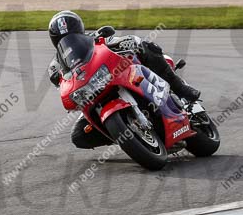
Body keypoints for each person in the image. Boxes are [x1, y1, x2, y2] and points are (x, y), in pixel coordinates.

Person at [47, 10, 201, 149]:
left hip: (120, 75)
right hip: (92, 94)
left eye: (73, 35)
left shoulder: (94, 39)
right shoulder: (56, 65)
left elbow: (119, 41)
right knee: (79, 137)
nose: (70, 41)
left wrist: (123, 42)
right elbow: (60, 82)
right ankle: (128, 134)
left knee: (144, 45)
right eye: (63, 38)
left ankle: (179, 87)